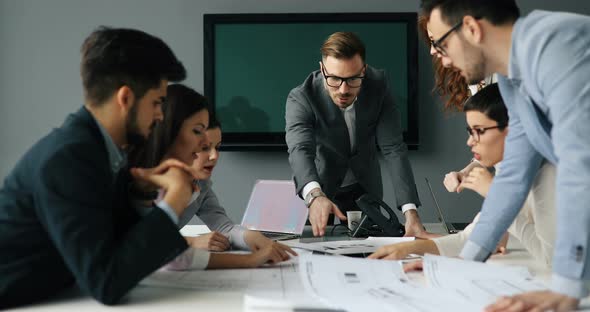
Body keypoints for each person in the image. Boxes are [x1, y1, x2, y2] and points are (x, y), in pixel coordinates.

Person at [0, 27, 201, 308]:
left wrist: (142, 194)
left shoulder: (98, 149)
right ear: (126, 98)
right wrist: (174, 201)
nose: (159, 115)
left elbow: (115, 252)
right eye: (157, 102)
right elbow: (107, 281)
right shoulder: (69, 158)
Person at [420, 0, 590, 310]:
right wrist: (465, 261)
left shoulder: (557, 46)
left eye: (442, 44)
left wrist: (567, 285)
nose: (443, 61)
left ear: (471, 28)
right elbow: (513, 173)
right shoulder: (512, 81)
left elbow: (580, 164)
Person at [369, 84, 556, 267]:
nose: (469, 142)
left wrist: (498, 197)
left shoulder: (548, 175)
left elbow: (551, 258)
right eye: (469, 131)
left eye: (479, 131)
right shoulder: (507, 172)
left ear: (512, 130)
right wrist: (409, 249)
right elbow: (469, 238)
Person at [131, 84, 295, 270]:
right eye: (203, 145)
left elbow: (222, 226)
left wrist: (250, 236)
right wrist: (191, 242)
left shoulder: (199, 185)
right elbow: (150, 243)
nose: (214, 156)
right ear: (169, 134)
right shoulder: (139, 180)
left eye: (217, 147)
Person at [285, 31, 425, 237]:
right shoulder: (301, 97)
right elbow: (300, 149)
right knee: (314, 249)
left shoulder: (379, 85)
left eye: (352, 79)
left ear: (364, 70)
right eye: (334, 78)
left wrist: (410, 213)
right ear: (322, 69)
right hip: (320, 185)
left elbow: (393, 148)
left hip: (365, 188)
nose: (343, 90)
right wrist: (314, 196)